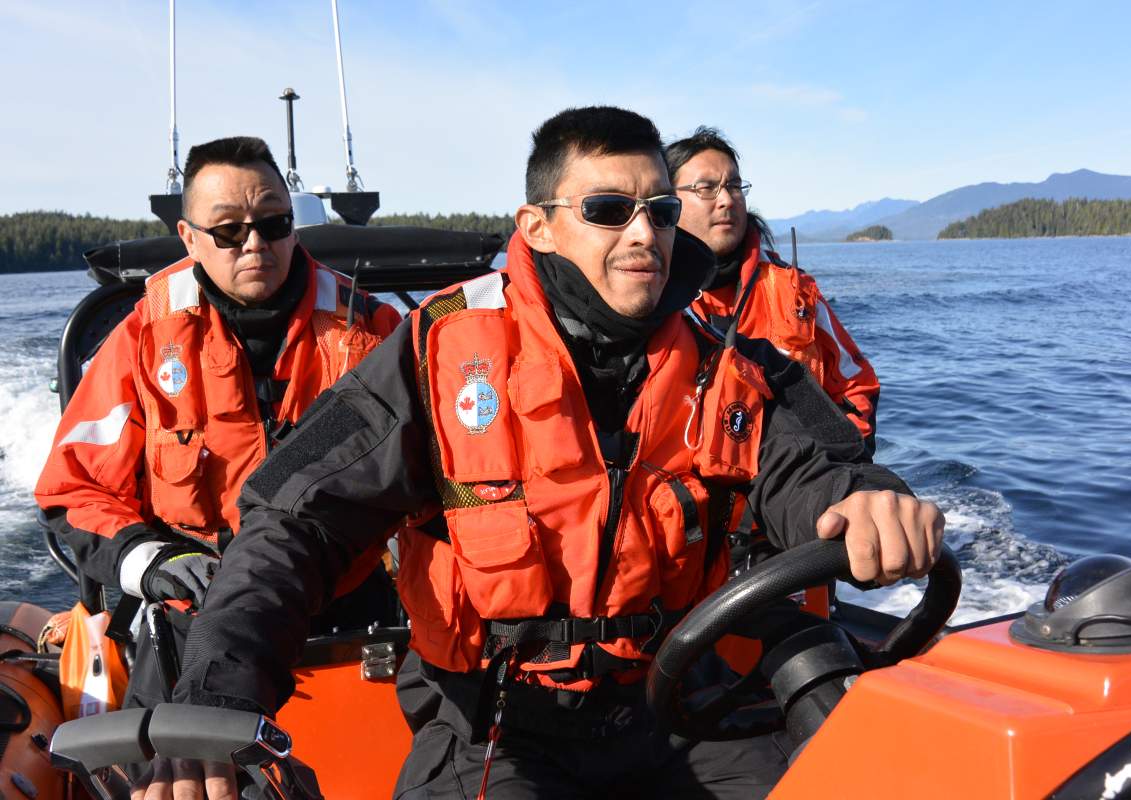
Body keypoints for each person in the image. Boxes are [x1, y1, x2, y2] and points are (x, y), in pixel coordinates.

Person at [149, 107, 943, 800]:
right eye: (609, 208)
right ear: (538, 227)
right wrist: (217, 699)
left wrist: (866, 499)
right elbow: (295, 522)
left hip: (679, 704)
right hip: (494, 722)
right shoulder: (433, 354)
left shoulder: (734, 362)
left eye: (661, 211)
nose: (645, 232)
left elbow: (818, 464)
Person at [34, 136, 402, 713]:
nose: (254, 244)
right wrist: (151, 560)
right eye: (229, 231)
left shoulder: (374, 331)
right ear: (189, 238)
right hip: (191, 617)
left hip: (349, 619)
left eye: (274, 223)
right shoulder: (141, 341)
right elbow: (74, 488)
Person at [666, 127, 880, 451]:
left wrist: (845, 461)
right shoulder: (651, 297)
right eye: (706, 188)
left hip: (802, 484)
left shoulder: (793, 289)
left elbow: (856, 383)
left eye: (734, 186)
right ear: (669, 200)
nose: (726, 200)